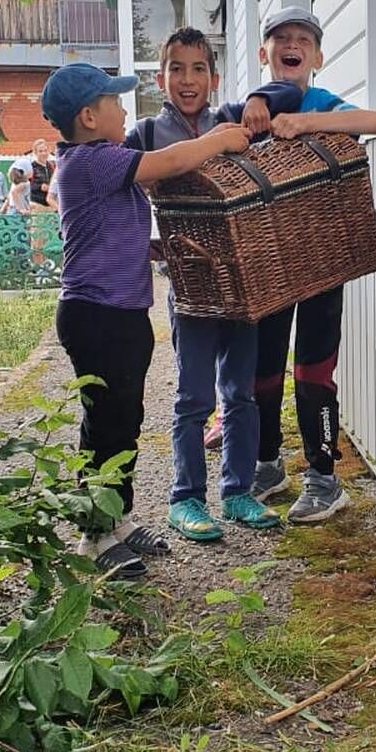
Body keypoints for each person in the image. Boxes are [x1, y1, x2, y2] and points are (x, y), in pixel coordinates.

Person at [44, 61, 252, 578]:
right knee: (106, 427)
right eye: (115, 102)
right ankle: (94, 536)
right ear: (90, 117)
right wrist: (221, 138)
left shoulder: (98, 161)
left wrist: (161, 247)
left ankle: (118, 520)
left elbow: (117, 233)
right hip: (97, 316)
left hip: (121, 313)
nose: (123, 109)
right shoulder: (94, 161)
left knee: (126, 421)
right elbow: (174, 159)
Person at [124, 27, 302, 543]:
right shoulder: (145, 135)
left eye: (198, 69)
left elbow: (290, 94)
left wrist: (259, 101)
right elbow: (120, 186)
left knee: (241, 394)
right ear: (160, 78)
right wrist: (148, 244)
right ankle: (186, 499)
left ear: (214, 77)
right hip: (191, 289)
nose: (187, 79)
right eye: (176, 69)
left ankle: (239, 491)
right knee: (193, 396)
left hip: (243, 285)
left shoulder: (232, 119)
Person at [225, 6, 376, 522]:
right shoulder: (247, 112)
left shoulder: (318, 101)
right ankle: (268, 464)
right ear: (263, 53)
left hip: (320, 258)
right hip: (266, 262)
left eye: (303, 40)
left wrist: (304, 122)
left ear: (317, 56)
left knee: (314, 368)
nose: (292, 45)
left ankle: (323, 476)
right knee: (263, 370)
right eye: (280, 38)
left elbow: (373, 121)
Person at [28, 139, 54, 210]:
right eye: (40, 151)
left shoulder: (52, 166)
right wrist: (40, 187)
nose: (43, 153)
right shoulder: (31, 167)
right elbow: (26, 186)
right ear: (35, 152)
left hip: (52, 205)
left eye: (45, 150)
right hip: (36, 204)